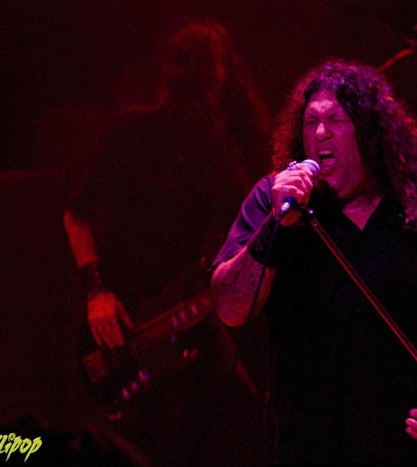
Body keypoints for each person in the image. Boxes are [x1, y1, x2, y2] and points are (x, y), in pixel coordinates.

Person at [210, 59, 417, 465]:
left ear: (370, 132)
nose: (320, 132)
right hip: (303, 449)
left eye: (336, 120)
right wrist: (277, 223)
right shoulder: (275, 200)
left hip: (408, 449)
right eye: (311, 122)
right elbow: (230, 309)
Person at [63, 20, 270, 466]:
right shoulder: (135, 131)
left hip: (188, 310)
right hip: (124, 321)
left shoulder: (227, 151)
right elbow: (76, 216)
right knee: (151, 437)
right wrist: (97, 293)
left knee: (241, 420)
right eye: (211, 69)